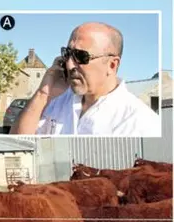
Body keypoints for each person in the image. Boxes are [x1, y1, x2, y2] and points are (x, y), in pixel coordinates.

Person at [10, 22, 160, 136]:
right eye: (67, 54)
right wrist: (43, 94)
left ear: (112, 65)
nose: (69, 65)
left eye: (81, 56)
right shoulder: (55, 100)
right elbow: (19, 142)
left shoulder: (138, 122)